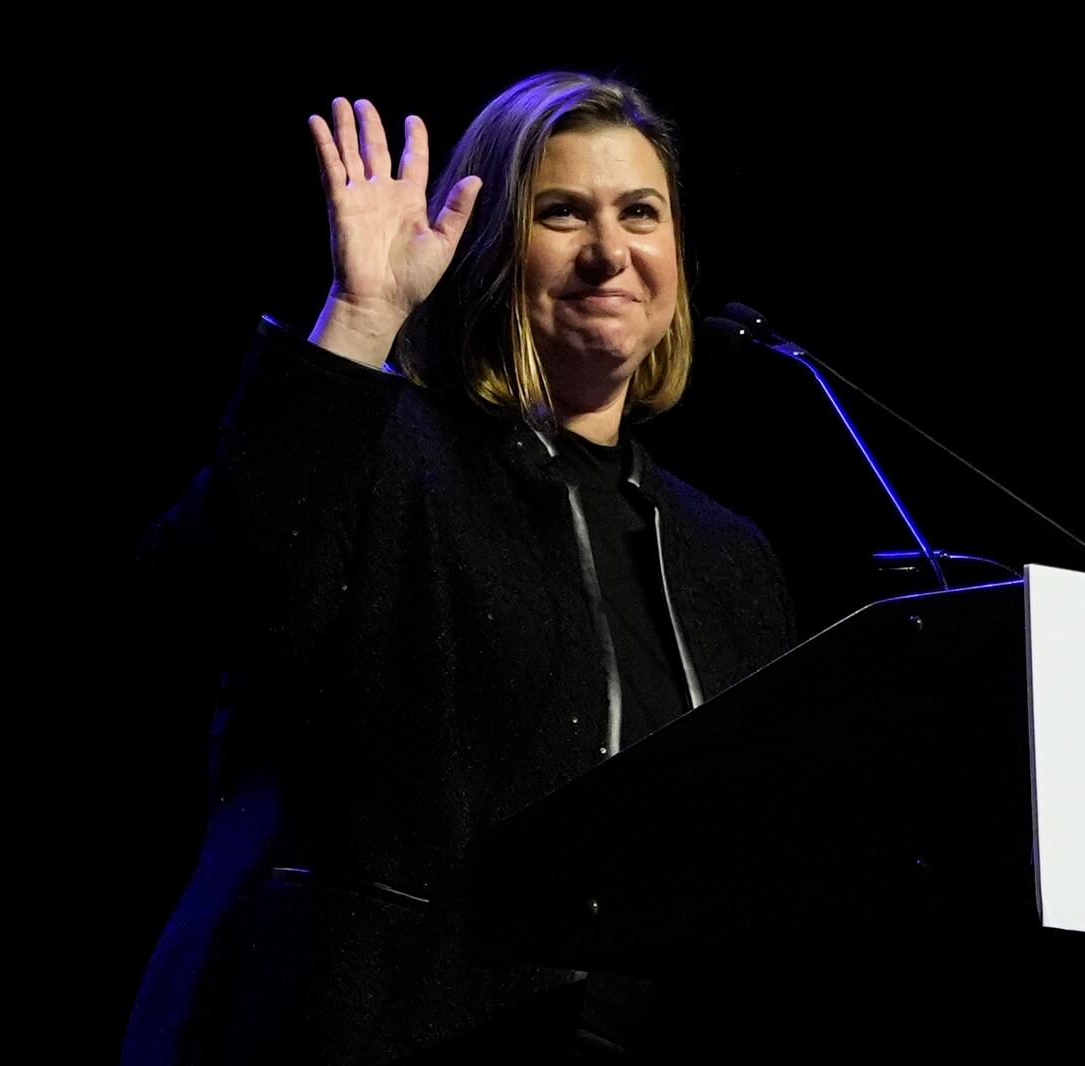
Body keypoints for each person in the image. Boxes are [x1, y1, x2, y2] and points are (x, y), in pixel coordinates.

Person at [122, 71, 797, 1064]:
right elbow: (203, 611)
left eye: (639, 214)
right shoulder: (387, 446)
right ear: (488, 248)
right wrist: (358, 319)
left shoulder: (727, 556)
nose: (610, 253)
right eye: (560, 213)